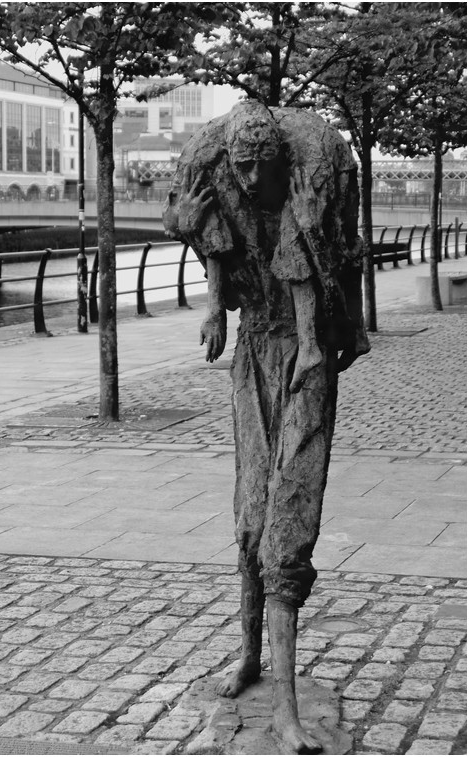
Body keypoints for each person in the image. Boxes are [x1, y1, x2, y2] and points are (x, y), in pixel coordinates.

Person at [163, 101, 369, 754]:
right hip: (254, 356)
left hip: (303, 365)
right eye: (242, 167)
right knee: (250, 515)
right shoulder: (229, 194)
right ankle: (250, 655)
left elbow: (322, 286)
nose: (253, 180)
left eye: (263, 166)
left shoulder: (307, 201)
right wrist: (212, 304)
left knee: (287, 529)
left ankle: (286, 708)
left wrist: (330, 342)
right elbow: (213, 249)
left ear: (283, 161)